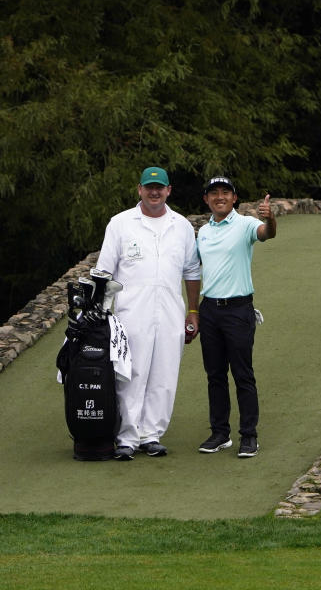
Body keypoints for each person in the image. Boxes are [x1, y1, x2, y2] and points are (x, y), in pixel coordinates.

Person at [96, 166, 201, 460]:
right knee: (130, 373)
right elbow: (104, 272)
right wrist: (102, 315)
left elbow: (191, 270)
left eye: (160, 188)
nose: (154, 193)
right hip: (131, 313)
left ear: (169, 190)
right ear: (139, 189)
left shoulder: (181, 226)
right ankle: (127, 437)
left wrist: (193, 310)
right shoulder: (120, 223)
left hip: (170, 310)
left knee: (164, 373)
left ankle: (151, 434)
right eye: (149, 187)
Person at [194, 176, 276, 458]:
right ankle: (220, 434)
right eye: (214, 193)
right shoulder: (203, 232)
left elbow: (266, 234)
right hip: (210, 309)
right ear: (206, 199)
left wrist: (271, 219)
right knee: (215, 375)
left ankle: (249, 436)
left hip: (238, 310)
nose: (220, 197)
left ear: (234, 198)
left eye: (225, 193)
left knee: (242, 374)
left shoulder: (245, 224)